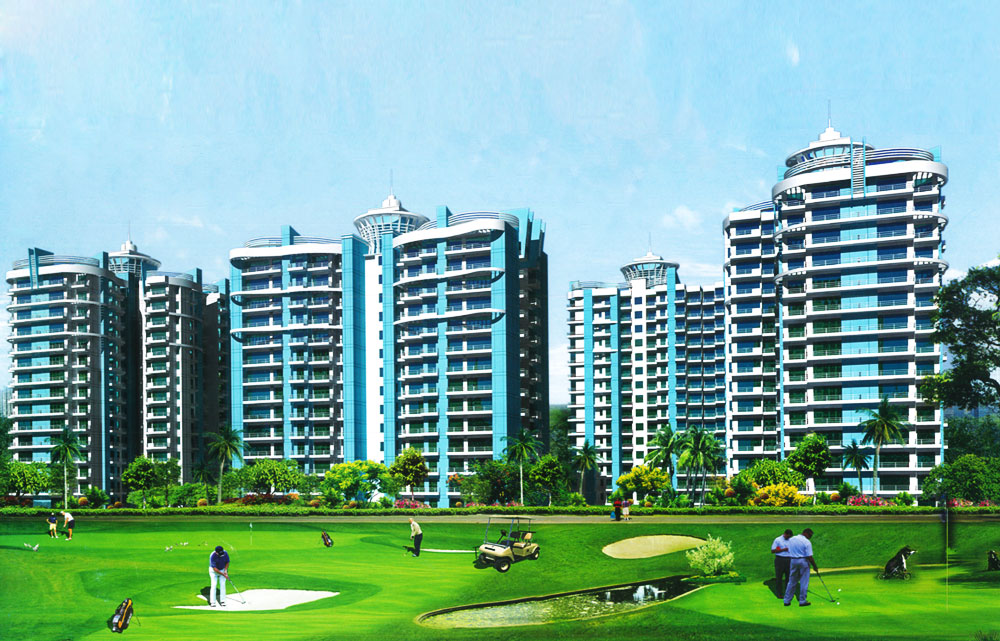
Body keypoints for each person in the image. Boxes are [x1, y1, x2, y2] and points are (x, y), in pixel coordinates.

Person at [783, 528, 818, 607]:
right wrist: (815, 566)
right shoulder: (807, 542)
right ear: (806, 533)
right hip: (803, 561)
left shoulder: (791, 539)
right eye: (810, 535)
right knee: (804, 582)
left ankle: (787, 600)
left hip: (793, 560)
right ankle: (802, 601)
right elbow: (809, 556)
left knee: (792, 581)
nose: (810, 537)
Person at [771, 529, 793, 593]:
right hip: (780, 560)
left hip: (789, 559)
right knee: (779, 577)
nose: (788, 538)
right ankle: (779, 593)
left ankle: (788, 593)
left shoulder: (791, 540)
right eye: (787, 536)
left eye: (790, 537)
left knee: (789, 577)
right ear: (785, 534)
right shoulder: (778, 540)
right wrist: (783, 549)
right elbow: (773, 550)